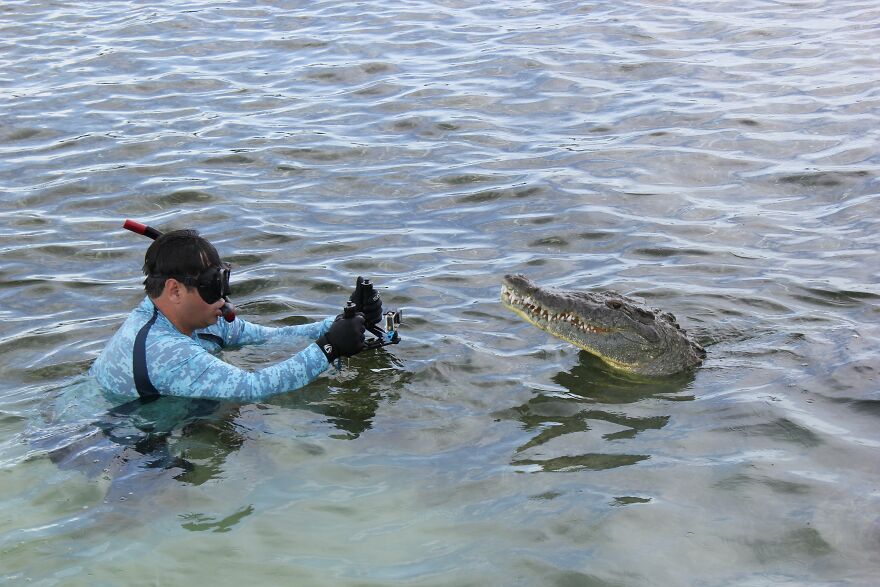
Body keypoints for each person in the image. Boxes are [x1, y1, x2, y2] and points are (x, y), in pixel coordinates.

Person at [89, 229, 382, 401]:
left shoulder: (198, 318)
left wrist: (343, 323)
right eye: (211, 288)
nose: (227, 304)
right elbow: (251, 388)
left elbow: (270, 338)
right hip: (107, 439)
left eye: (223, 286)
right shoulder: (164, 349)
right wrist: (329, 347)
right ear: (175, 290)